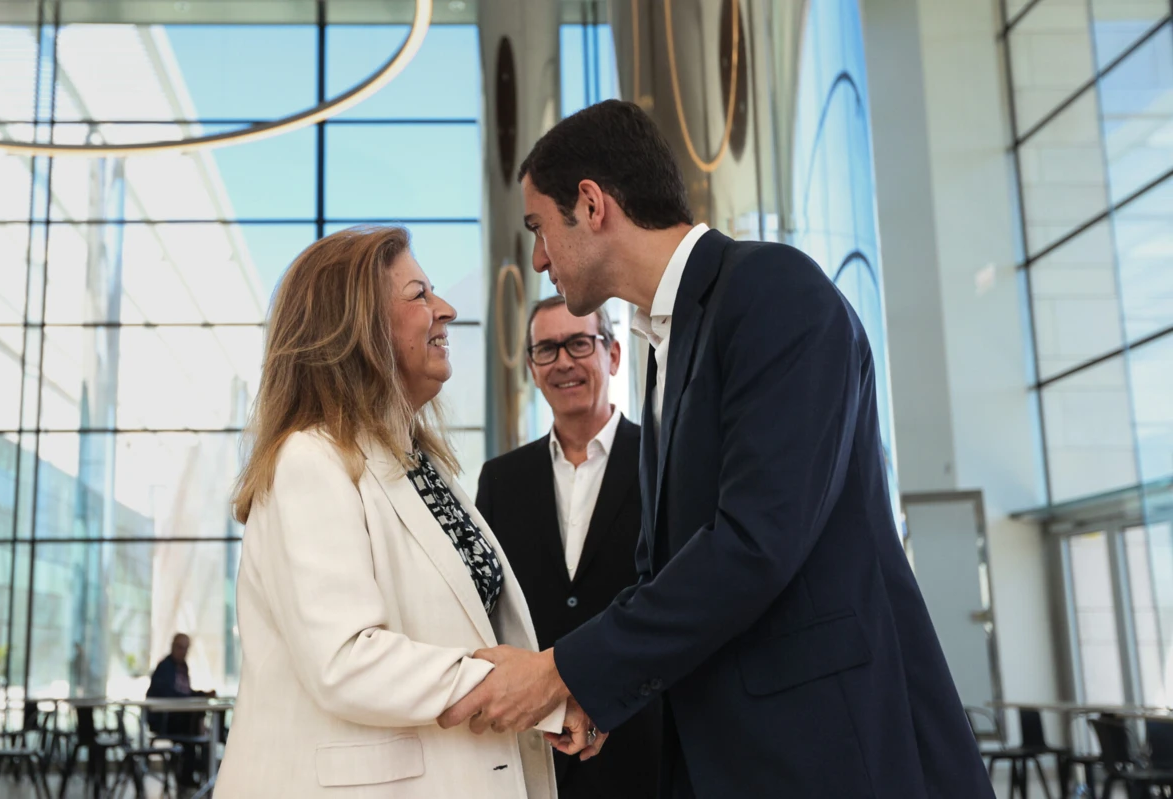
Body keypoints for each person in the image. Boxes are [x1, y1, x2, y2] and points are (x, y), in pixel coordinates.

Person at [439, 100, 995, 798]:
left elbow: (755, 541)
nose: (539, 258)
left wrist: (560, 672)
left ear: (591, 204)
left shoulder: (774, 290)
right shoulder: (666, 345)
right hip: (734, 754)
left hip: (825, 752)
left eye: (538, 228)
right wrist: (598, 691)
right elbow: (667, 567)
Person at [214, 226, 599, 799]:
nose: (445, 310)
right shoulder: (309, 460)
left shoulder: (418, 466)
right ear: (359, 327)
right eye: (419, 294)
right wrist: (533, 692)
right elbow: (346, 659)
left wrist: (545, 693)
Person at [476, 296, 659, 799]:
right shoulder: (501, 480)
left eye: (579, 344)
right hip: (535, 748)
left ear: (613, 355)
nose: (563, 362)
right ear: (532, 368)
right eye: (547, 349)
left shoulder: (662, 461)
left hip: (644, 743)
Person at [147, 633, 215, 785]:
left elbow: (186, 693)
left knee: (201, 732)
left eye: (186, 648)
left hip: (181, 719)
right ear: (172, 646)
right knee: (194, 731)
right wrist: (197, 697)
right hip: (165, 720)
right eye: (180, 647)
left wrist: (202, 694)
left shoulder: (183, 667)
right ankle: (193, 774)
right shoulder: (165, 667)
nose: (182, 652)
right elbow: (171, 695)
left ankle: (200, 772)